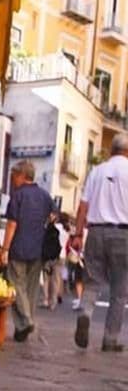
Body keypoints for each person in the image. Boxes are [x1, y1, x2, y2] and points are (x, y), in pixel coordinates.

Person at [72, 133, 128, 352]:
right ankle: (110, 339)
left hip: (95, 231)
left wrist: (78, 234)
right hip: (123, 234)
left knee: (92, 281)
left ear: (112, 149)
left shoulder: (97, 171)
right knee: (119, 290)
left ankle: (85, 313)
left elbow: (83, 206)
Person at [1, 161, 56, 342]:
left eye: (13, 176)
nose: (12, 180)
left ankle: (26, 320)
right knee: (31, 290)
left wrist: (5, 249)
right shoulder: (45, 196)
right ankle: (22, 328)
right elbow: (53, 216)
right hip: (38, 248)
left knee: (16, 285)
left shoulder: (18, 196)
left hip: (18, 247)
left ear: (21, 175)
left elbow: (12, 224)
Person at [41, 213, 68, 310]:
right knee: (56, 280)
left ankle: (45, 299)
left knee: (46, 278)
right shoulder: (66, 230)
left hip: (48, 256)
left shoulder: (50, 228)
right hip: (61, 256)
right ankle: (53, 302)